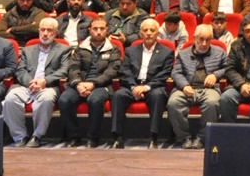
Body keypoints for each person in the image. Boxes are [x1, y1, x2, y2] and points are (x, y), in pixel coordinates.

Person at [2, 17, 70, 147]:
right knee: (10, 98)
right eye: (42, 30)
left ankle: (37, 135)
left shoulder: (63, 49)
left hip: (48, 86)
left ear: (56, 33)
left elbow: (64, 70)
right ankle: (20, 136)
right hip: (27, 85)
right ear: (38, 31)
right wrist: (31, 82)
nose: (45, 33)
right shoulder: (28, 50)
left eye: (49, 30)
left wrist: (45, 81)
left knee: (46, 99)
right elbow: (20, 70)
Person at [58, 17, 124, 147]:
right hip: (80, 84)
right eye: (95, 29)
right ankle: (73, 136)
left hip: (102, 85)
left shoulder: (114, 49)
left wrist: (93, 84)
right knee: (64, 100)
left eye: (102, 29)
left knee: (95, 100)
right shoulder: (80, 48)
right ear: (89, 30)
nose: (98, 32)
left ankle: (93, 137)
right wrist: (78, 84)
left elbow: (112, 71)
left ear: (107, 30)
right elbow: (73, 68)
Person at [111, 18, 174, 148]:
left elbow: (164, 74)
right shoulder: (130, 51)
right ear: (140, 33)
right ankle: (118, 138)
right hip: (132, 85)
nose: (148, 33)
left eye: (152, 30)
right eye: (145, 30)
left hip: (153, 86)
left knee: (158, 96)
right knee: (118, 95)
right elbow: (125, 71)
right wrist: (134, 87)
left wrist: (146, 87)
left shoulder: (167, 52)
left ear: (158, 33)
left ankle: (153, 138)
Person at [167, 23, 227, 149]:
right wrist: (184, 85)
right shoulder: (183, 53)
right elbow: (176, 72)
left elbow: (228, 68)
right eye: (201, 39)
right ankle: (184, 137)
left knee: (212, 103)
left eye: (208, 40)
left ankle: (202, 138)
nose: (204, 43)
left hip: (208, 89)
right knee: (173, 103)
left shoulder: (220, 52)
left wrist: (215, 75)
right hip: (186, 88)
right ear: (194, 38)